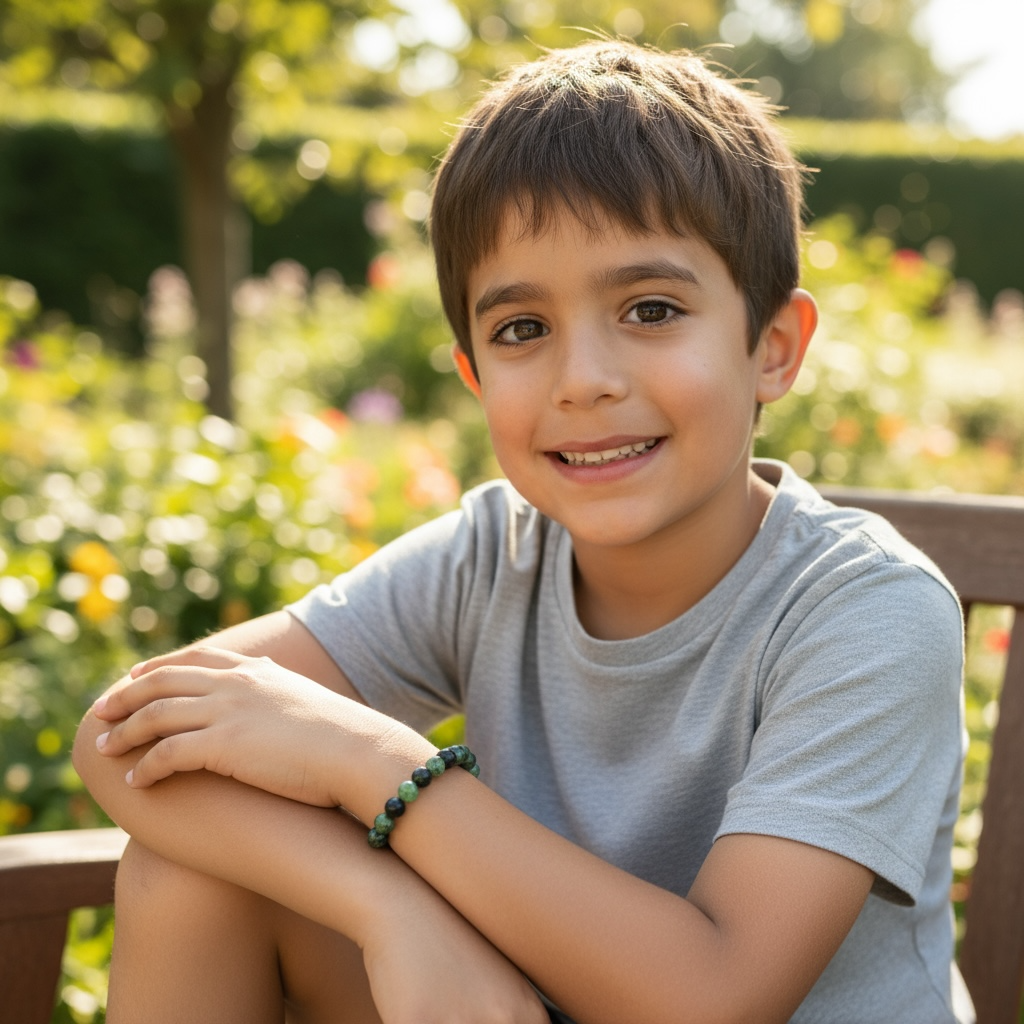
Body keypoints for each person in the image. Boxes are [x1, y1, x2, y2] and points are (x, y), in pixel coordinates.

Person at [72, 39, 971, 1024]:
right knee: (193, 871)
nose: (582, 378)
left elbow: (714, 997)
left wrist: (375, 765)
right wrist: (387, 911)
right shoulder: (492, 556)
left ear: (772, 347)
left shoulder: (868, 611)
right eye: (521, 330)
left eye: (651, 308)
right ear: (471, 374)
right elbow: (128, 732)